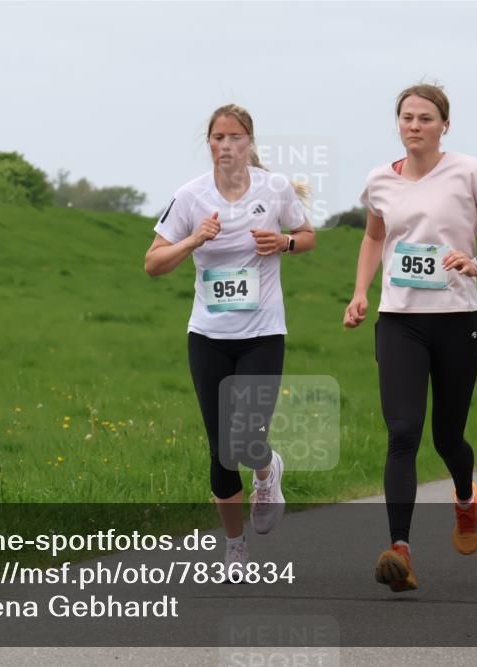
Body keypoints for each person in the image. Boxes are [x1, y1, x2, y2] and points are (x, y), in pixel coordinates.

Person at [344, 83, 477, 592]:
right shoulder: (380, 180)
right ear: (397, 124)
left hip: (457, 318)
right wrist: (360, 292)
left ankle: (466, 500)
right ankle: (399, 550)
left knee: (447, 437)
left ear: (444, 125)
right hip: (400, 318)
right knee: (402, 432)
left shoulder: (468, 171)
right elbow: (375, 236)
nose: (414, 126)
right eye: (406, 117)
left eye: (426, 118)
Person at [144, 104, 315, 578]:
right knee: (221, 448)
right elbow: (153, 264)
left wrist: (284, 244)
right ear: (210, 144)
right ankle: (235, 547)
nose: (225, 145)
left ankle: (267, 471)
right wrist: (193, 240)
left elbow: (307, 236)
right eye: (218, 137)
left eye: (235, 137)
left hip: (262, 334)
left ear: (250, 142)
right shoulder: (190, 197)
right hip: (208, 336)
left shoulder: (274, 189)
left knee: (246, 437)